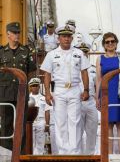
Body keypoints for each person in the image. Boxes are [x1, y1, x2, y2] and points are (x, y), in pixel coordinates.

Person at [40, 24, 90, 154]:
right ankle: (63, 152)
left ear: (72, 38)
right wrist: (47, 93)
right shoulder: (51, 54)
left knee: (75, 121)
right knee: (60, 121)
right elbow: (47, 74)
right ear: (59, 38)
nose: (66, 39)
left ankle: (75, 152)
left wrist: (86, 90)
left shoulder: (79, 53)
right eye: (63, 36)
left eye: (68, 36)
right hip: (59, 91)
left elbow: (84, 72)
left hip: (74, 89)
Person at [0, 22, 37, 151]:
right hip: (5, 93)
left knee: (21, 125)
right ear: (8, 34)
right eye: (14, 33)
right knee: (5, 125)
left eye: (18, 32)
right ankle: (6, 154)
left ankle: (20, 155)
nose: (17, 35)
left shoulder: (26, 52)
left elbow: (32, 71)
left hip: (21, 93)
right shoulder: (1, 52)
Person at [96, 32, 120, 154]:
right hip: (107, 93)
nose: (110, 43)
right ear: (104, 45)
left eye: (113, 41)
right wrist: (97, 97)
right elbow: (98, 79)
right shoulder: (100, 59)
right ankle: (109, 154)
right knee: (109, 124)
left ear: (116, 43)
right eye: (107, 42)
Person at [75, 42, 98, 155]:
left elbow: (96, 85)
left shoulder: (93, 69)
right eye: (81, 52)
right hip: (76, 102)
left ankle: (90, 155)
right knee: (76, 131)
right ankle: (78, 155)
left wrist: (97, 99)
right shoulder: (73, 68)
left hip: (91, 102)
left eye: (85, 52)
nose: (83, 54)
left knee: (92, 130)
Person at [29, 78, 50, 155]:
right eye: (33, 86)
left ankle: (38, 160)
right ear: (30, 87)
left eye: (36, 85)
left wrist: (47, 124)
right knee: (31, 142)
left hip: (41, 121)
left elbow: (47, 111)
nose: (34, 87)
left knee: (40, 143)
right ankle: (32, 159)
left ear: (39, 87)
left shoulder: (44, 98)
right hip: (30, 122)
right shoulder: (26, 98)